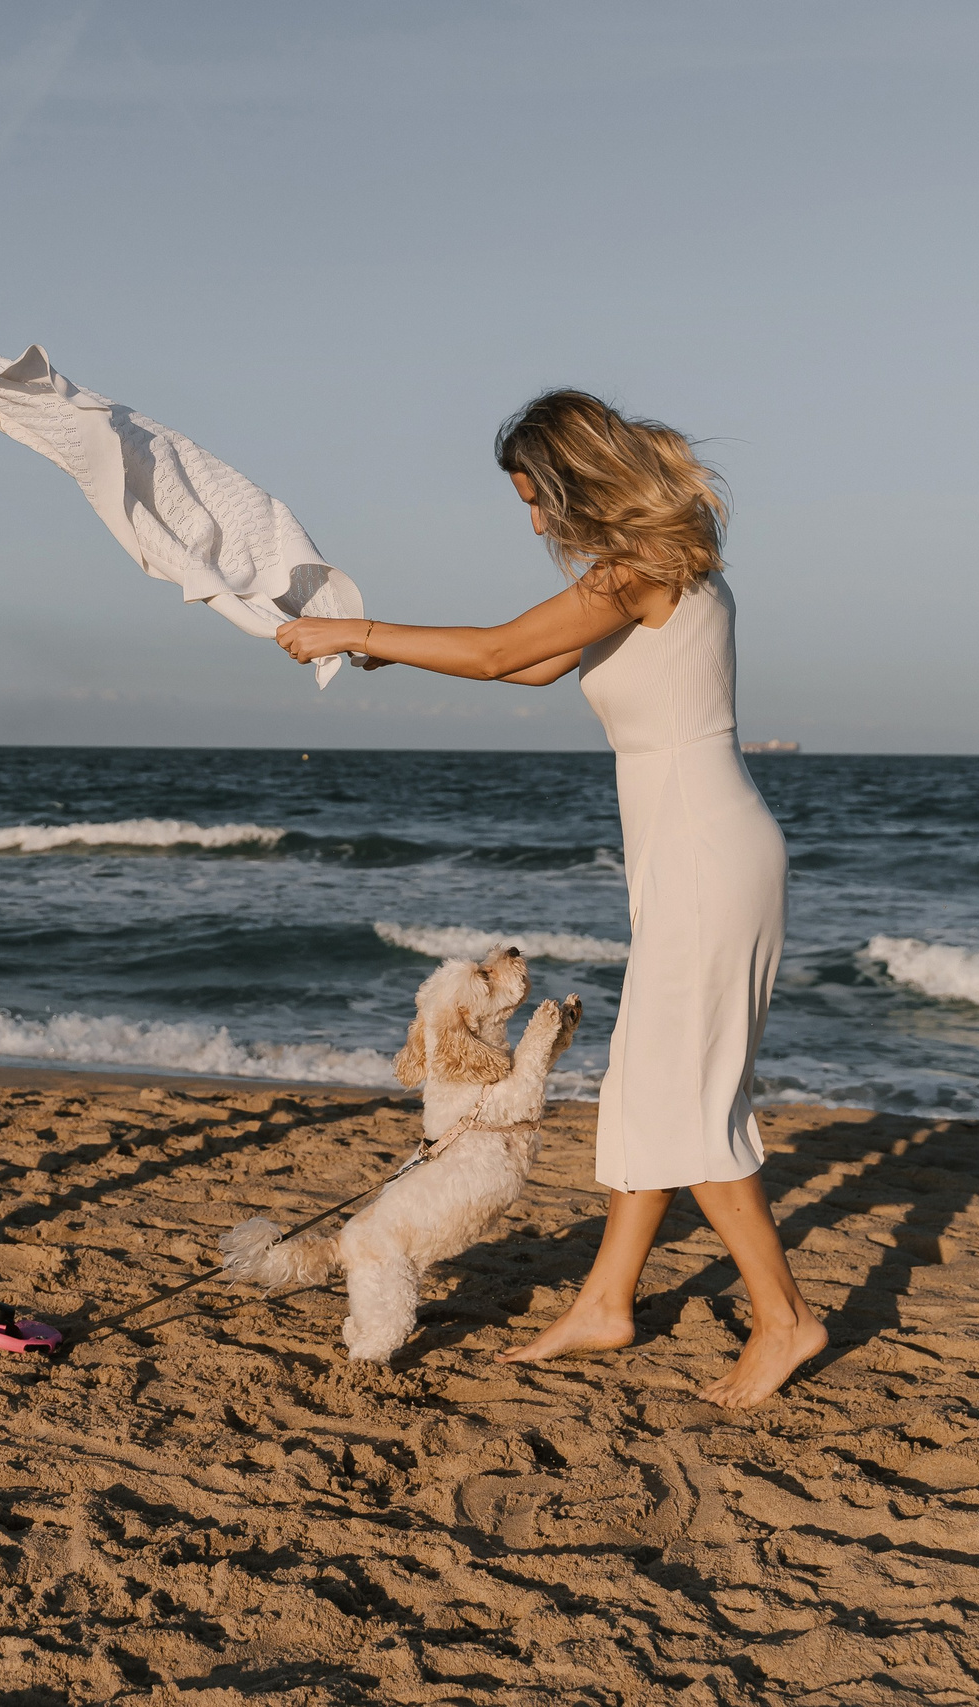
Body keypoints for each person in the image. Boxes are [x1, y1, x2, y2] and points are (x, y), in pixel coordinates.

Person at [276, 389, 824, 1409]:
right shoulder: (651, 568)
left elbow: (496, 648)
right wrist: (375, 648)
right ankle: (607, 1301)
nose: (534, 523)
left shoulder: (642, 567)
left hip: (705, 858)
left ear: (575, 479)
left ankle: (785, 1318)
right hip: (688, 857)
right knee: (648, 1089)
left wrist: (353, 628)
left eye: (536, 498)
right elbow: (524, 671)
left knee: (688, 1100)